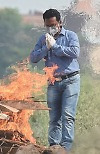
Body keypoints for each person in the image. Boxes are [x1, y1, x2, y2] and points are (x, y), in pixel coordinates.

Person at [30, 9, 80, 153]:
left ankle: (65, 148)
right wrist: (46, 47)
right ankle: (53, 147)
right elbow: (33, 58)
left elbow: (75, 52)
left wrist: (55, 47)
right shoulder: (43, 38)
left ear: (60, 23)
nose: (51, 28)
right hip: (53, 82)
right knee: (54, 117)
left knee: (68, 116)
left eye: (53, 24)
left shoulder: (71, 35)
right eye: (47, 25)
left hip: (70, 80)